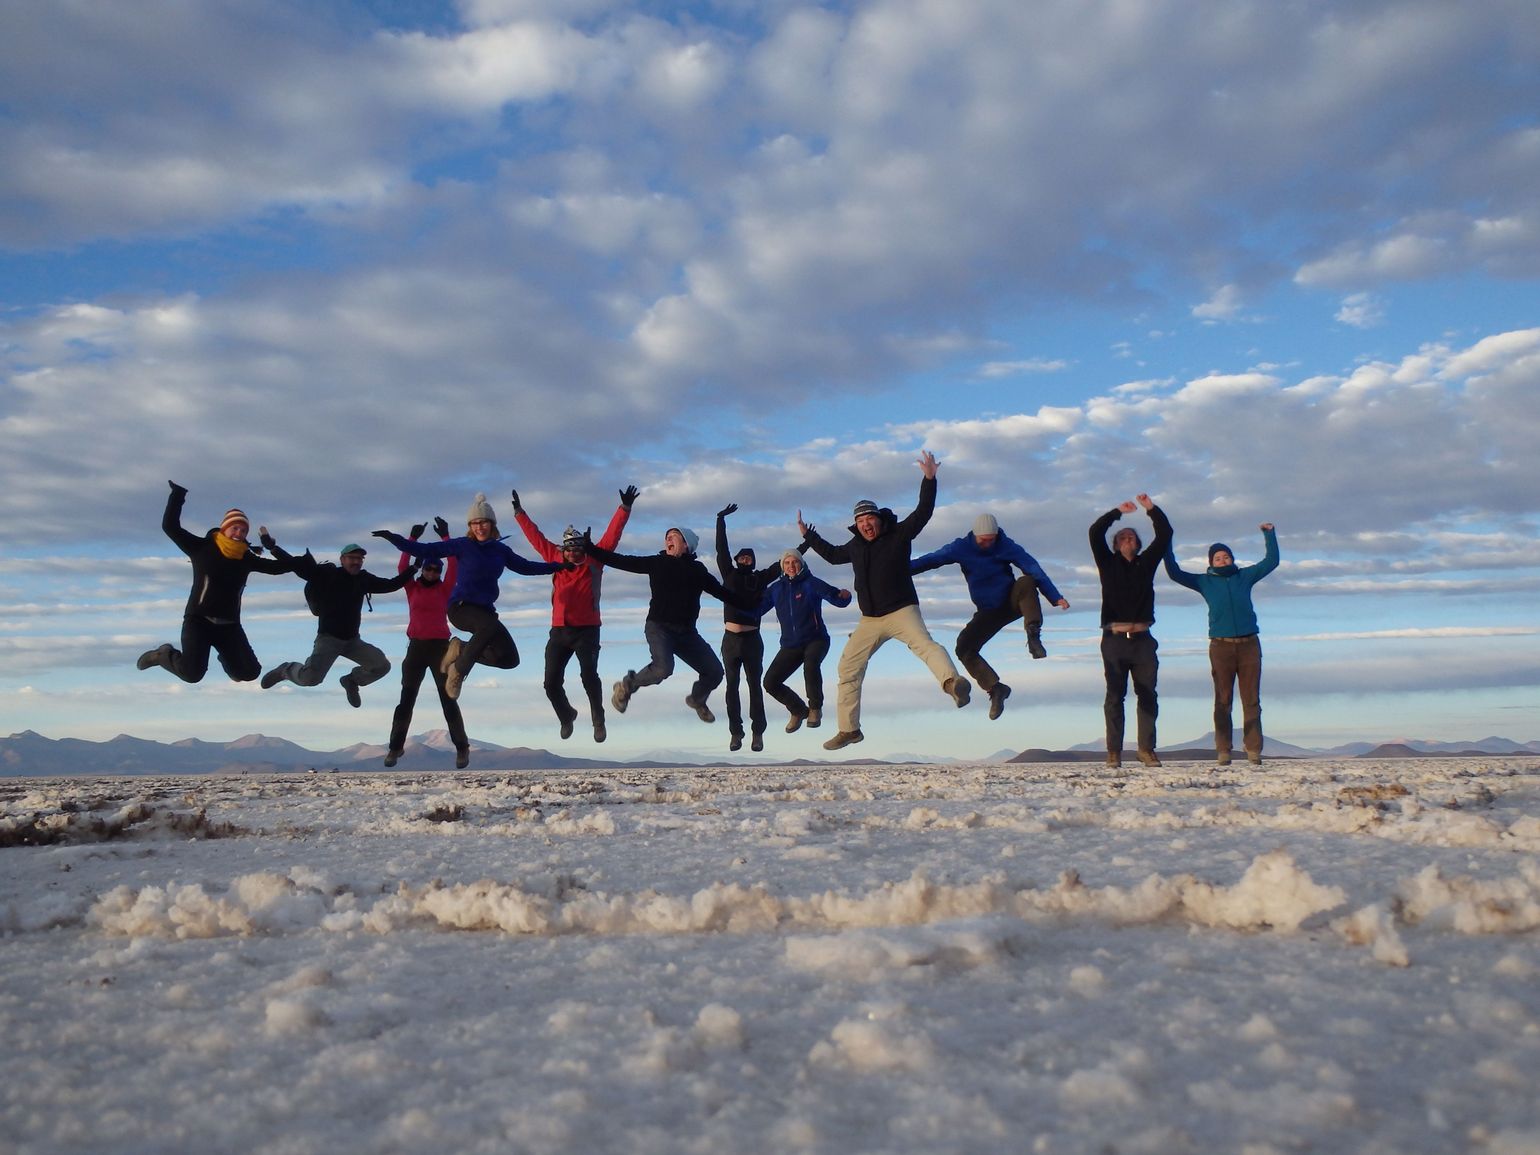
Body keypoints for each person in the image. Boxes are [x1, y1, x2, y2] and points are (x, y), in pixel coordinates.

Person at [800, 450, 971, 751]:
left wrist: (929, 479)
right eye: (861, 521)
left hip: (902, 609)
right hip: (870, 620)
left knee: (925, 645)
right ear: (856, 524)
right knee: (848, 667)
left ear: (878, 520)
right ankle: (849, 730)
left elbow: (923, 513)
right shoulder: (854, 546)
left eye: (870, 519)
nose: (866, 524)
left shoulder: (899, 535)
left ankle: (952, 683)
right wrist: (809, 536)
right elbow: (831, 554)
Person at [373, 492, 565, 701]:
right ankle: (458, 672)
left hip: (485, 612)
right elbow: (425, 549)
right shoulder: (463, 545)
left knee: (509, 659)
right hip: (461, 608)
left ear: (492, 524)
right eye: (474, 523)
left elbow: (525, 567)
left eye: (483, 522)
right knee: (488, 627)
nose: (479, 527)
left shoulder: (501, 550)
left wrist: (559, 567)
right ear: (470, 526)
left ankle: (460, 648)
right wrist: (395, 539)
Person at [582, 525, 749, 724]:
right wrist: (591, 549)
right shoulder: (658, 562)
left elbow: (722, 593)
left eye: (674, 537)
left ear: (686, 544)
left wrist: (750, 604)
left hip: (687, 633)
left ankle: (697, 699)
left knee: (714, 671)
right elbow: (623, 561)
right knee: (663, 668)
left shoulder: (698, 571)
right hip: (659, 627)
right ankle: (627, 685)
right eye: (667, 537)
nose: (668, 540)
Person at [911, 513, 1071, 721]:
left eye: (991, 539)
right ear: (975, 536)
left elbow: (1032, 566)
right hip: (988, 611)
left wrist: (1055, 596)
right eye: (983, 540)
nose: (987, 544)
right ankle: (996, 689)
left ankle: (1033, 635)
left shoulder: (1005, 545)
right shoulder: (961, 547)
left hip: (1012, 602)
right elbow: (931, 560)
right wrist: (895, 570)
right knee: (964, 647)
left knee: (1026, 581)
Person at [513, 484, 638, 743]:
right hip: (559, 630)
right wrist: (519, 513)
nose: (573, 553)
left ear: (583, 549)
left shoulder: (594, 561)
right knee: (550, 683)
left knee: (589, 676)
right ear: (563, 549)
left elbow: (612, 536)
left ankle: (598, 720)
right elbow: (535, 537)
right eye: (568, 549)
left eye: (577, 549)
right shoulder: (555, 558)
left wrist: (624, 508)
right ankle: (566, 715)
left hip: (587, 630)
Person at [137, 481, 292, 683]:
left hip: (229, 625)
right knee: (192, 674)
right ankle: (162, 654)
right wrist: (178, 494)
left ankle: (228, 660)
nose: (239, 533)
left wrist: (273, 548)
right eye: (235, 528)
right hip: (199, 621)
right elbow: (170, 527)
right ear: (224, 528)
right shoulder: (202, 548)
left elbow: (280, 568)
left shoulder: (245, 558)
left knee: (249, 672)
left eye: (243, 531)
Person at [1164, 523, 1280, 766]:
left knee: (1251, 700)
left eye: (1226, 556)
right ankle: (1224, 750)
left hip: (1249, 644)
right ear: (1211, 562)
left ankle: (1253, 750)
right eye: (1218, 558)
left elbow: (1271, 561)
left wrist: (1269, 534)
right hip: (1221, 647)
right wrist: (1166, 545)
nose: (1223, 560)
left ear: (1232, 559)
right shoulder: (1204, 582)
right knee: (1223, 699)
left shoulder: (1244, 576)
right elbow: (1174, 573)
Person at [258, 539, 412, 708]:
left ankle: (351, 680)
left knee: (381, 666)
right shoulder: (328, 575)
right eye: (352, 558)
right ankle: (285, 670)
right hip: (328, 639)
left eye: (360, 559)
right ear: (342, 559)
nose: (356, 562)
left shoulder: (364, 579)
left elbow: (391, 585)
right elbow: (298, 566)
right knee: (310, 679)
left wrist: (414, 568)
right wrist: (273, 548)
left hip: (353, 641)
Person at [713, 504, 808, 752]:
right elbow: (721, 549)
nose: (745, 560)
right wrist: (720, 520)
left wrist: (806, 543)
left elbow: (786, 562)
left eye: (749, 558)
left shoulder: (759, 578)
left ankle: (758, 733)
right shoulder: (729, 574)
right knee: (731, 687)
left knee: (755, 687)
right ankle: (736, 733)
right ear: (736, 560)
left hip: (753, 640)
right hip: (730, 640)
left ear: (753, 561)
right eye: (741, 558)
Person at [1088, 494, 1173, 769]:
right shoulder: (1107, 563)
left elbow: (1165, 534)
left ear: (1138, 544)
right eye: (1122, 537)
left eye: (1131, 538)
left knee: (1148, 694)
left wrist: (1150, 509)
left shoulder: (1145, 563)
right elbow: (1094, 531)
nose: (1127, 540)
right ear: (1114, 545)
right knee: (1115, 696)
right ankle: (1114, 752)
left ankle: (1146, 750)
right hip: (1114, 640)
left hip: (1143, 641)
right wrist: (1117, 512)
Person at [383, 517, 470, 770]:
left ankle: (462, 748)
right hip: (416, 648)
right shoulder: (411, 586)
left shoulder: (445, 589)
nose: (432, 572)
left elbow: (453, 562)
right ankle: (395, 748)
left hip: (440, 650)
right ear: (423, 570)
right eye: (429, 569)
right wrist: (412, 540)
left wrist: (446, 536)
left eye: (436, 570)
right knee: (406, 698)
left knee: (448, 698)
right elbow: (402, 566)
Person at [758, 549, 852, 732]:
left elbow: (834, 596)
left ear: (801, 564)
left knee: (810, 666)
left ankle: (815, 708)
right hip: (790, 645)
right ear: (782, 566)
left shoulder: (811, 583)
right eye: (787, 563)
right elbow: (757, 609)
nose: (791, 566)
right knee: (770, 682)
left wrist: (844, 597)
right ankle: (799, 710)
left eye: (795, 562)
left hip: (816, 639)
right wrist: (736, 611)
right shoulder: (777, 589)